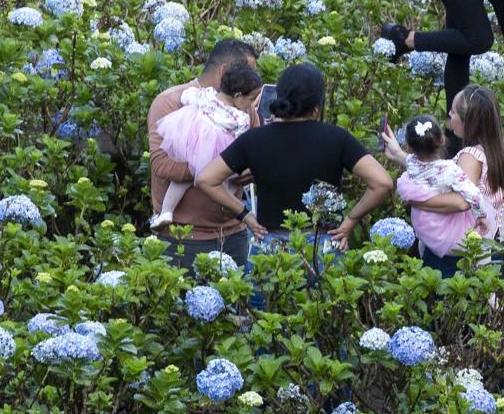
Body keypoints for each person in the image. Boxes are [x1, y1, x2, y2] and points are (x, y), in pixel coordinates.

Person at [194, 63, 395, 253]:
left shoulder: (254, 139)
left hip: (271, 245)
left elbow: (206, 179)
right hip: (322, 243)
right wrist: (351, 220)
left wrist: (244, 215)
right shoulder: (337, 138)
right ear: (317, 105)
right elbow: (382, 183)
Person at [148, 39, 262, 267]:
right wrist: (217, 170)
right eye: (248, 73)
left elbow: (257, 153)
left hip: (233, 234)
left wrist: (250, 169)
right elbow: (162, 166)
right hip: (183, 239)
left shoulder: (244, 109)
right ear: (225, 71)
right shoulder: (172, 102)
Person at [382, 85, 504, 274]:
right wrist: (399, 155)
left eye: (453, 112)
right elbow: (438, 173)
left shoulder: (470, 156)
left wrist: (414, 200)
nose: (449, 115)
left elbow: (461, 202)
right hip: (492, 245)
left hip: (461, 253)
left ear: (468, 122)